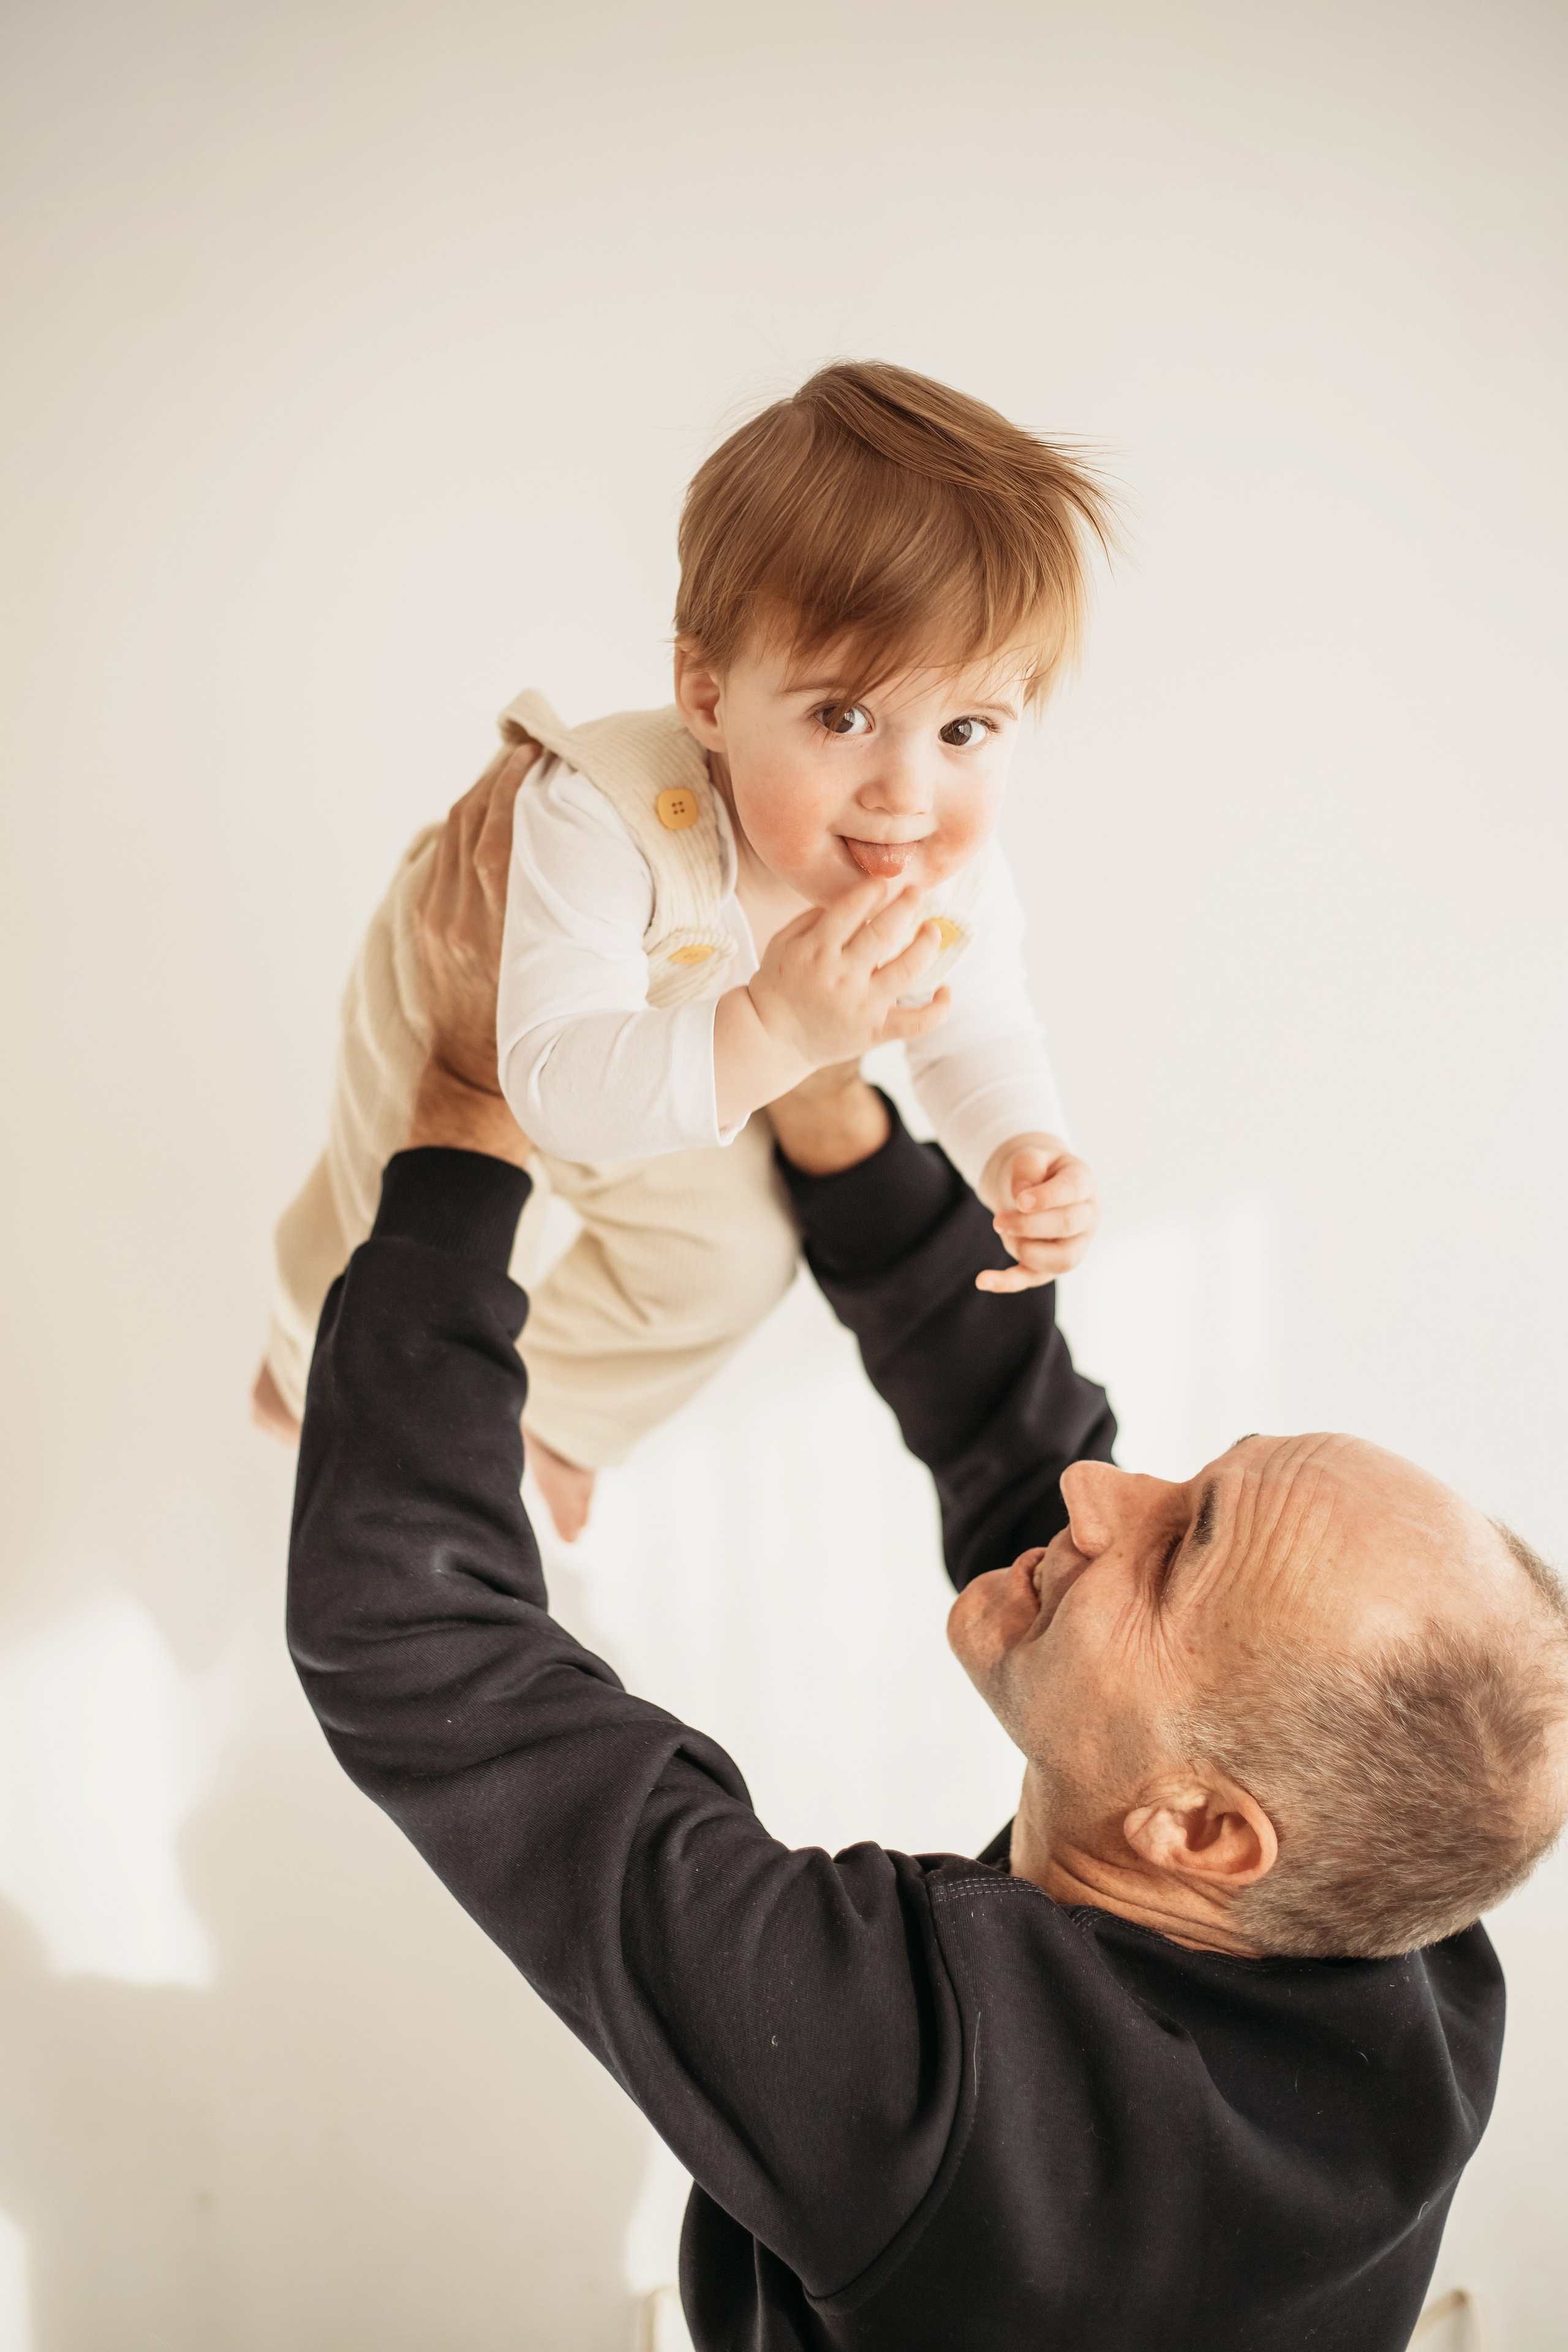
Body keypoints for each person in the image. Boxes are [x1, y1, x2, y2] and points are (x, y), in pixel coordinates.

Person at [286, 765, 1568, 2351]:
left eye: (1174, 1554)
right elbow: (1029, 1447)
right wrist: (829, 1109)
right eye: (1192, 1482)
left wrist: (470, 1118)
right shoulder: (1407, 1918)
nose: (1102, 1490)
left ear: (1204, 1831)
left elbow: (415, 1646)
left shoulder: (920, 2091)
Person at [258, 361, 1111, 1539]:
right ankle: (300, 1366)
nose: (906, 795)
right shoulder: (596, 818)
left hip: (693, 1063)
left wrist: (1021, 1146)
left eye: (966, 729)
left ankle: (546, 1416)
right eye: (842, 717)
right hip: (496, 1004)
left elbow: (977, 1023)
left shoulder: (948, 875)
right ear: (707, 696)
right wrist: (777, 1031)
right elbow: (549, 1086)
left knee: (731, 1259)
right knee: (389, 1227)